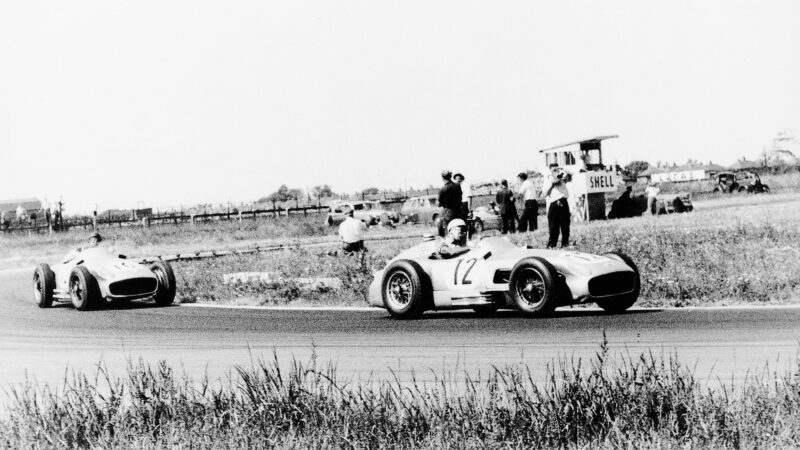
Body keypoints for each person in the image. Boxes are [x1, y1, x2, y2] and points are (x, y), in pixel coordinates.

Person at [544, 166, 571, 248]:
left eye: (557, 170)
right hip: (554, 204)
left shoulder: (563, 179)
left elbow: (570, 175)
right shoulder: (548, 180)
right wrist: (552, 183)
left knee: (565, 226)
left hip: (563, 202)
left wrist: (563, 169)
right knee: (553, 227)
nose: (556, 171)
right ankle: (552, 245)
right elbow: (544, 193)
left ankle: (565, 244)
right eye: (554, 170)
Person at [437, 170, 462, 237]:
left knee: (441, 226)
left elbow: (440, 203)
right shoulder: (457, 186)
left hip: (448, 213)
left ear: (442, 178)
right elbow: (460, 197)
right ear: (450, 176)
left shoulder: (443, 189)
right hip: (459, 212)